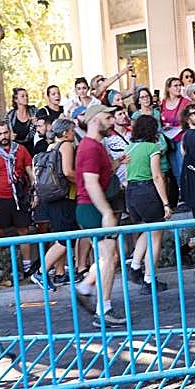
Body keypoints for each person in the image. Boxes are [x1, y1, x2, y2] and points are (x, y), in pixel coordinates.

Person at [72, 104, 126, 327]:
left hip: (91, 207)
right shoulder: (91, 148)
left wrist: (117, 163)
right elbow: (91, 182)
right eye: (108, 117)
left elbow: (99, 175)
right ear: (95, 120)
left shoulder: (95, 146)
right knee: (108, 258)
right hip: (92, 207)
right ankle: (103, 310)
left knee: (108, 257)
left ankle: (85, 288)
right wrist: (105, 212)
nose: (112, 120)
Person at [0, 122, 39, 275]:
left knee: (24, 231)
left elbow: (30, 172)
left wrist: (35, 193)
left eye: (6, 132)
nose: (3, 136)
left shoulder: (21, 149)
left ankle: (27, 267)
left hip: (19, 197)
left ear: (10, 133)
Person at [124, 115, 174, 290]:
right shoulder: (152, 147)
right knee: (156, 235)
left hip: (131, 192)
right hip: (147, 191)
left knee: (147, 229)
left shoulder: (130, 147)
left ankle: (135, 266)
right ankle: (149, 279)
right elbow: (157, 176)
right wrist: (166, 203)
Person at [36, 117, 81, 288]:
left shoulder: (51, 145)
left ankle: (60, 273)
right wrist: (84, 182)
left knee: (60, 236)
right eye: (72, 130)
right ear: (65, 132)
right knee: (66, 239)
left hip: (53, 197)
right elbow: (68, 172)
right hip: (65, 196)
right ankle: (41, 272)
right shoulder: (67, 145)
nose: (74, 133)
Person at [158, 76, 190, 180]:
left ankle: (185, 189)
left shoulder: (185, 102)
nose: (178, 88)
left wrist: (181, 126)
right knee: (175, 170)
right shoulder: (163, 103)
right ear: (168, 88)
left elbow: (190, 119)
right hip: (168, 140)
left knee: (182, 168)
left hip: (181, 138)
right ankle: (179, 188)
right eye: (175, 85)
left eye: (180, 85)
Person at [6, 88, 37, 152]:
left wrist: (37, 124)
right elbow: (5, 132)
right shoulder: (10, 115)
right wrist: (10, 136)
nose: (26, 98)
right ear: (16, 100)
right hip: (16, 150)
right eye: (22, 96)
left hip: (33, 148)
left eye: (27, 96)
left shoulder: (34, 111)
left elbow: (42, 129)